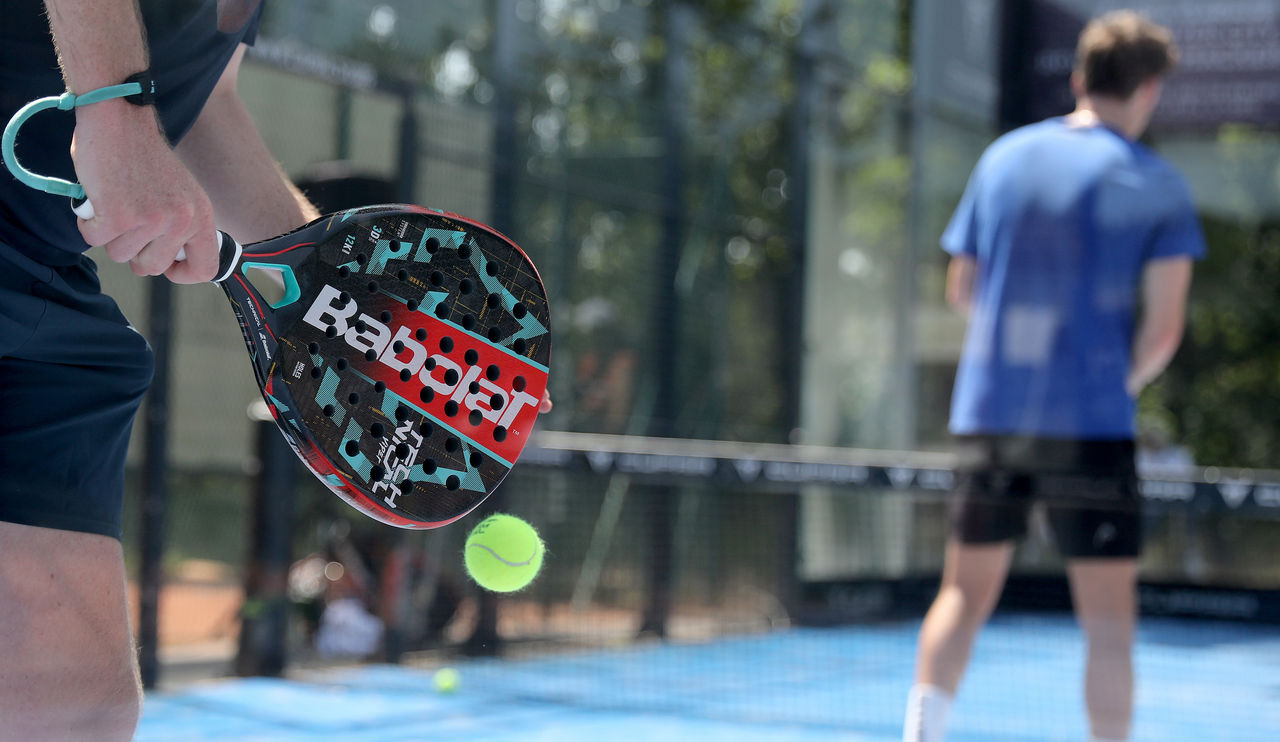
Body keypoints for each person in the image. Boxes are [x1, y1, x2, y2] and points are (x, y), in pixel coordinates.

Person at [0, 2, 319, 739]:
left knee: (78, 709)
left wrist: (333, 297)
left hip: (42, 279)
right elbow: (130, 108)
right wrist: (113, 109)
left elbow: (209, 106)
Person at [903, 11, 1204, 742]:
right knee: (1108, 622)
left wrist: (1019, 358)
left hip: (991, 417)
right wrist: (1113, 384)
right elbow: (1163, 332)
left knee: (961, 595)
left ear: (1077, 80)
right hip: (1092, 427)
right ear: (1150, 89)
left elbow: (963, 290)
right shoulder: (1157, 182)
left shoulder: (1002, 158)